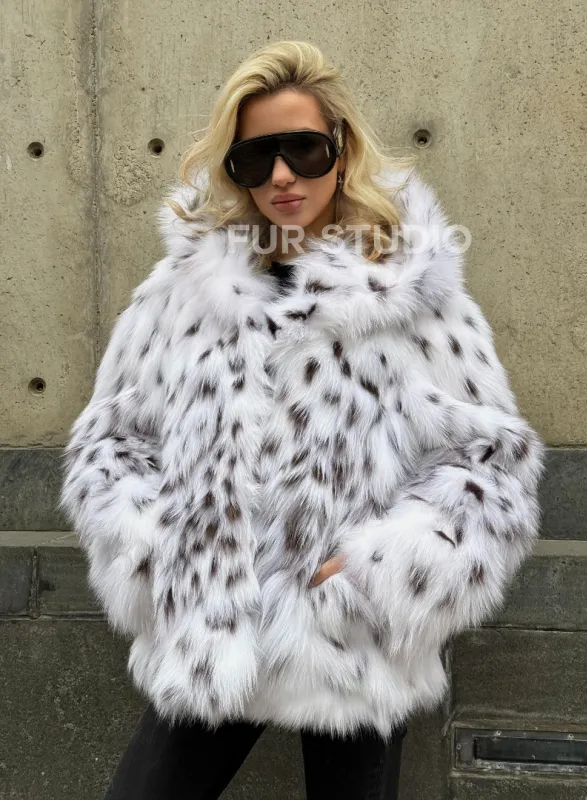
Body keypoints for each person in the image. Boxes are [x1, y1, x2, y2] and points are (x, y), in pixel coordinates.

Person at [58, 40, 545, 800]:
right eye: (256, 158)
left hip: (352, 638)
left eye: (304, 150)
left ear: (341, 153)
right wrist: (163, 550)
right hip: (213, 631)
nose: (282, 175)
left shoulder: (409, 296)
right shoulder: (182, 295)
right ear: (235, 171)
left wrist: (381, 567)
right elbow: (107, 445)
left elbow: (494, 463)